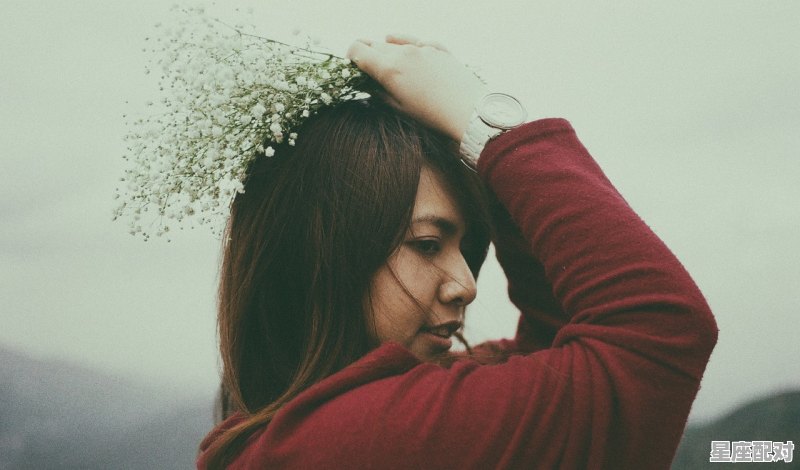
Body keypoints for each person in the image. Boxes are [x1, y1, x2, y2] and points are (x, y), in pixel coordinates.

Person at [196, 35, 718, 469]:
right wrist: (487, 125)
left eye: (465, 247)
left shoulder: (295, 438)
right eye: (426, 244)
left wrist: (481, 165)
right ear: (320, 255)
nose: (466, 285)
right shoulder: (357, 440)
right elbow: (660, 332)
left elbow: (556, 337)